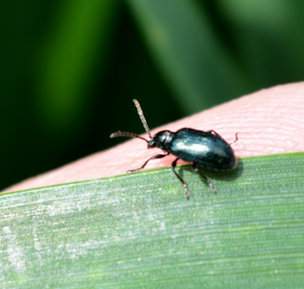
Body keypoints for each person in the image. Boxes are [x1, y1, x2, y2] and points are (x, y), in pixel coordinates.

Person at [7, 83, 304, 192]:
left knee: (178, 166)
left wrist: (188, 181)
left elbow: (184, 156)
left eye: (151, 142)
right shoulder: (181, 135)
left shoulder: (173, 146)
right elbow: (208, 135)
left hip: (220, 158)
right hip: (221, 150)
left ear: (160, 142)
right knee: (193, 154)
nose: (151, 145)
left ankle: (197, 181)